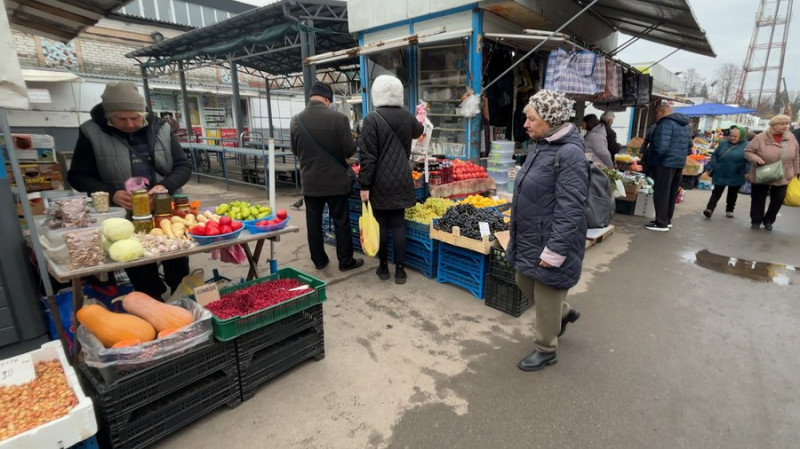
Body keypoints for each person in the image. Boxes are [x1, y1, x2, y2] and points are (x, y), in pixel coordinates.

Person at [68, 81, 192, 299]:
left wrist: (165, 186)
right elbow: (77, 176)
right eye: (121, 119)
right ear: (108, 115)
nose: (130, 123)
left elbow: (183, 166)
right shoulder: (91, 132)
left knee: (177, 263)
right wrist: (110, 193)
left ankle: (182, 298)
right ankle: (151, 301)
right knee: (140, 268)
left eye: (135, 117)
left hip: (167, 212)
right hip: (124, 216)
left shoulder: (161, 128)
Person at [507, 90, 588, 372]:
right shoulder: (541, 146)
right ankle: (562, 313)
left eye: (531, 118)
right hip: (531, 234)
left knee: (546, 292)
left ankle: (546, 349)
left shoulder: (570, 154)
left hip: (552, 238)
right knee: (523, 280)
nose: (526, 124)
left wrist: (555, 250)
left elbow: (571, 208)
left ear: (550, 119)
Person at [290, 81, 363, 271]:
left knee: (313, 223)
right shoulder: (338, 119)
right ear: (327, 99)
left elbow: (295, 150)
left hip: (311, 182)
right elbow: (349, 150)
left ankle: (319, 261)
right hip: (336, 182)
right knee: (341, 222)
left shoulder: (296, 120)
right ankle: (345, 261)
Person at [358, 75, 424, 284]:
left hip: (380, 181)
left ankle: (384, 268)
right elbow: (419, 131)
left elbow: (368, 156)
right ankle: (401, 272)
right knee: (398, 225)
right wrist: (421, 116)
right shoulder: (407, 117)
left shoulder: (372, 119)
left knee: (381, 225)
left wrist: (364, 185)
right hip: (402, 178)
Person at [743, 114, 800, 231]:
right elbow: (748, 151)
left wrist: (796, 171)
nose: (785, 126)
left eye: (787, 124)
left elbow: (796, 156)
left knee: (778, 198)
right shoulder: (760, 138)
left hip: (783, 173)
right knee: (758, 198)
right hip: (763, 172)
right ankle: (756, 221)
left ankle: (769, 220)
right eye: (782, 124)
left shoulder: (791, 137)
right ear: (773, 125)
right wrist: (756, 159)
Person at [644, 104, 691, 232]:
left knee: (661, 192)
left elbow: (661, 147)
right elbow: (689, 146)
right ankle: (667, 220)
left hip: (665, 163)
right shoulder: (685, 125)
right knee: (671, 192)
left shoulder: (665, 123)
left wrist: (654, 162)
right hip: (678, 163)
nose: (656, 116)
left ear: (660, 112)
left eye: (656, 113)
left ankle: (661, 223)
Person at [703, 126, 748, 219]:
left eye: (735, 136)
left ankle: (729, 209)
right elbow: (715, 155)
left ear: (742, 136)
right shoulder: (724, 143)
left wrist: (745, 170)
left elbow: (749, 160)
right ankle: (709, 209)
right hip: (721, 171)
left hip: (736, 173)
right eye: (731, 135)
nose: (732, 138)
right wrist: (715, 165)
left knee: (732, 193)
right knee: (716, 192)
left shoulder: (747, 145)